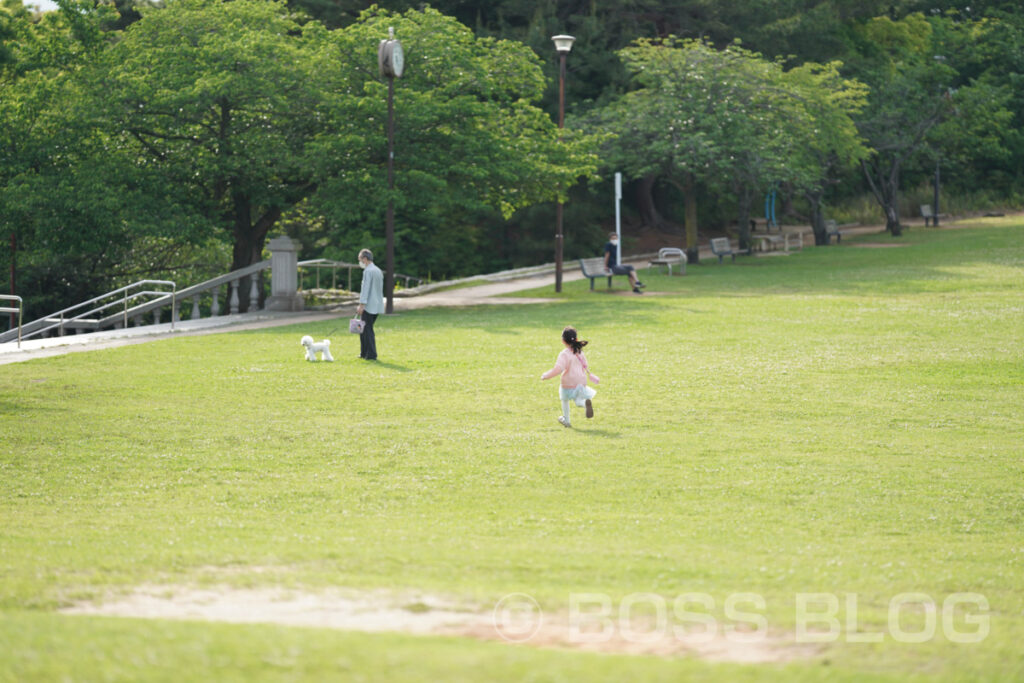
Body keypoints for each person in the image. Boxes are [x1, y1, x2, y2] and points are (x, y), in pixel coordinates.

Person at [540, 326, 600, 428]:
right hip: (581, 381)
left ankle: (566, 420)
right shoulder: (579, 351)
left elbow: (558, 369)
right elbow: (585, 365)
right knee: (577, 401)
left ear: (563, 341)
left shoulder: (564, 354)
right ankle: (585, 403)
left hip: (568, 382)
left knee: (564, 399)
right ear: (576, 339)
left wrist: (546, 375)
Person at [356, 248, 384, 360]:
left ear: (365, 259)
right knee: (364, 329)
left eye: (360, 259)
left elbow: (365, 289)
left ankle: (371, 354)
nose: (360, 262)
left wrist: (361, 304)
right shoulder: (378, 270)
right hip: (377, 304)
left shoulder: (368, 271)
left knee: (367, 330)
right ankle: (364, 353)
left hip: (368, 305)